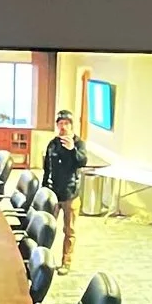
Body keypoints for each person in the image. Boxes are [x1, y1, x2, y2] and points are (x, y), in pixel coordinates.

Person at [40, 108, 89, 273]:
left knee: (69, 230)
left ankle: (66, 262)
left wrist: (71, 150)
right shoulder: (52, 144)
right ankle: (44, 260)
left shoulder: (78, 143)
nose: (63, 127)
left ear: (71, 126)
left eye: (66, 124)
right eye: (60, 124)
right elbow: (47, 169)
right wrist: (44, 190)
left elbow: (82, 161)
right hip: (54, 194)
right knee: (47, 228)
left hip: (71, 195)